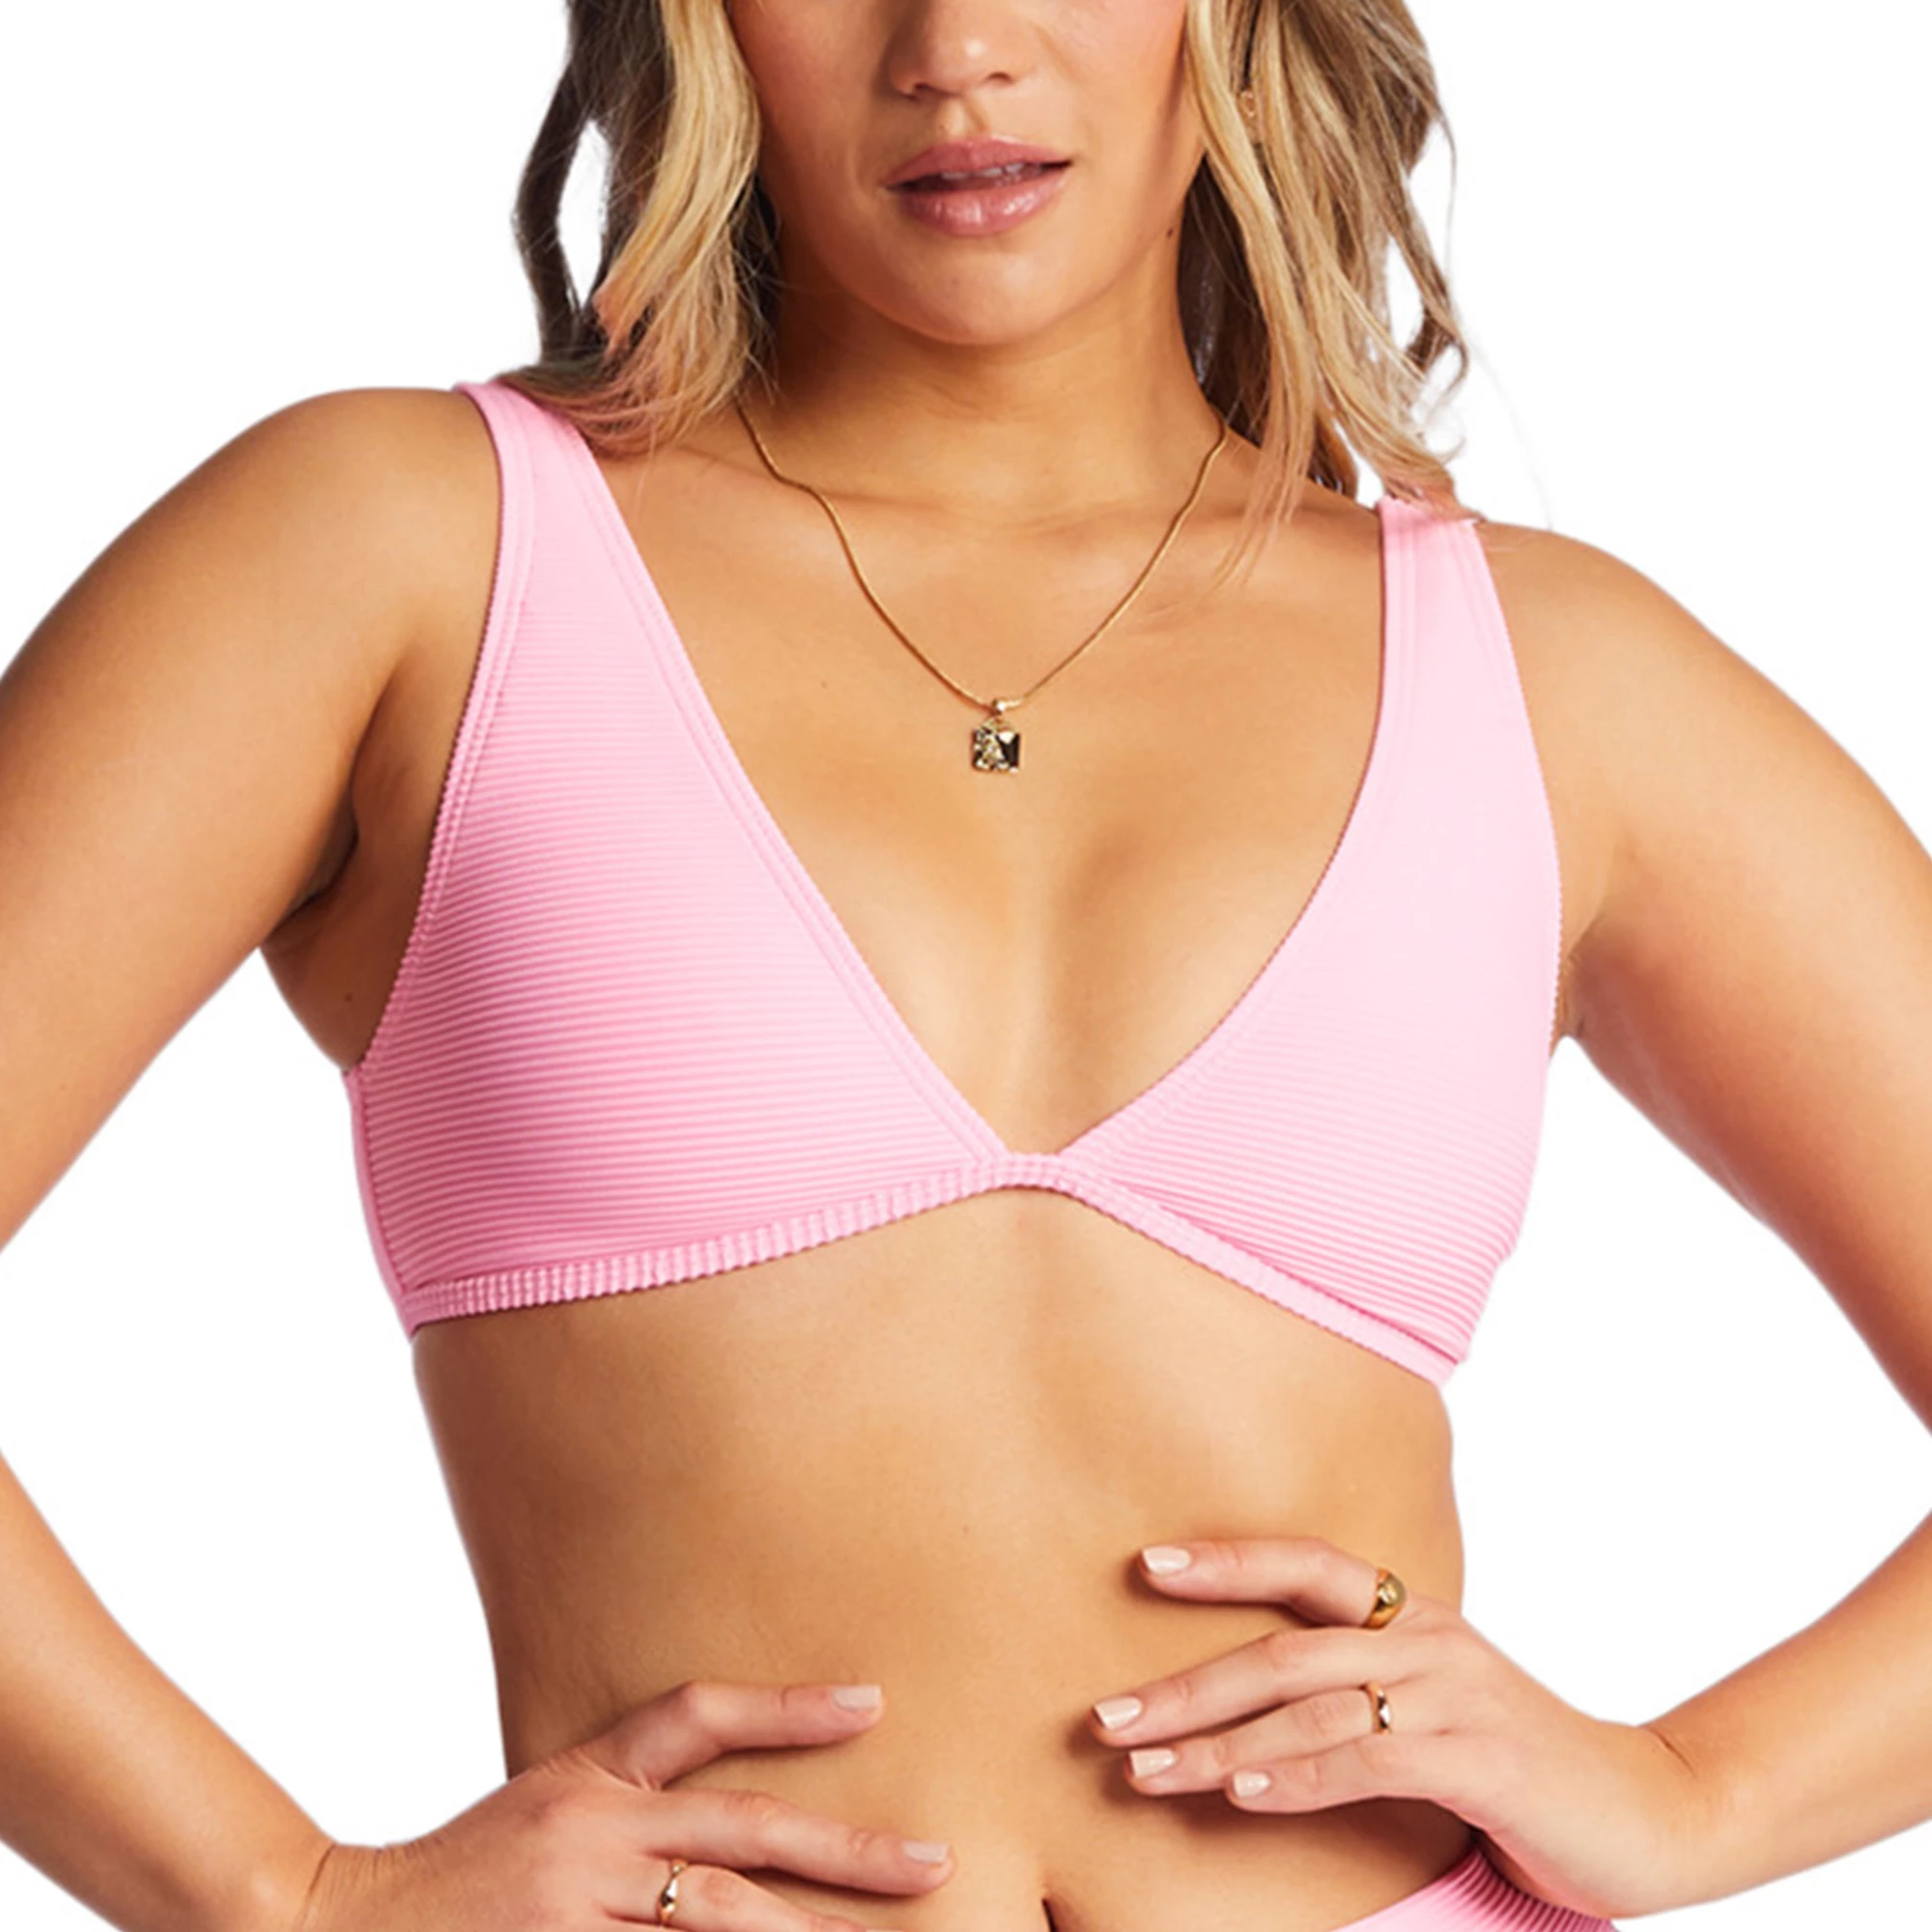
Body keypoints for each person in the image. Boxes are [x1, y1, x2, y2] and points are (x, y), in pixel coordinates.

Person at [2, 2, 1930, 1929]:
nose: (956, 45)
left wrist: (1696, 1795)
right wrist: (289, 1897)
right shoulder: (406, 555)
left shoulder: (1554, 680)